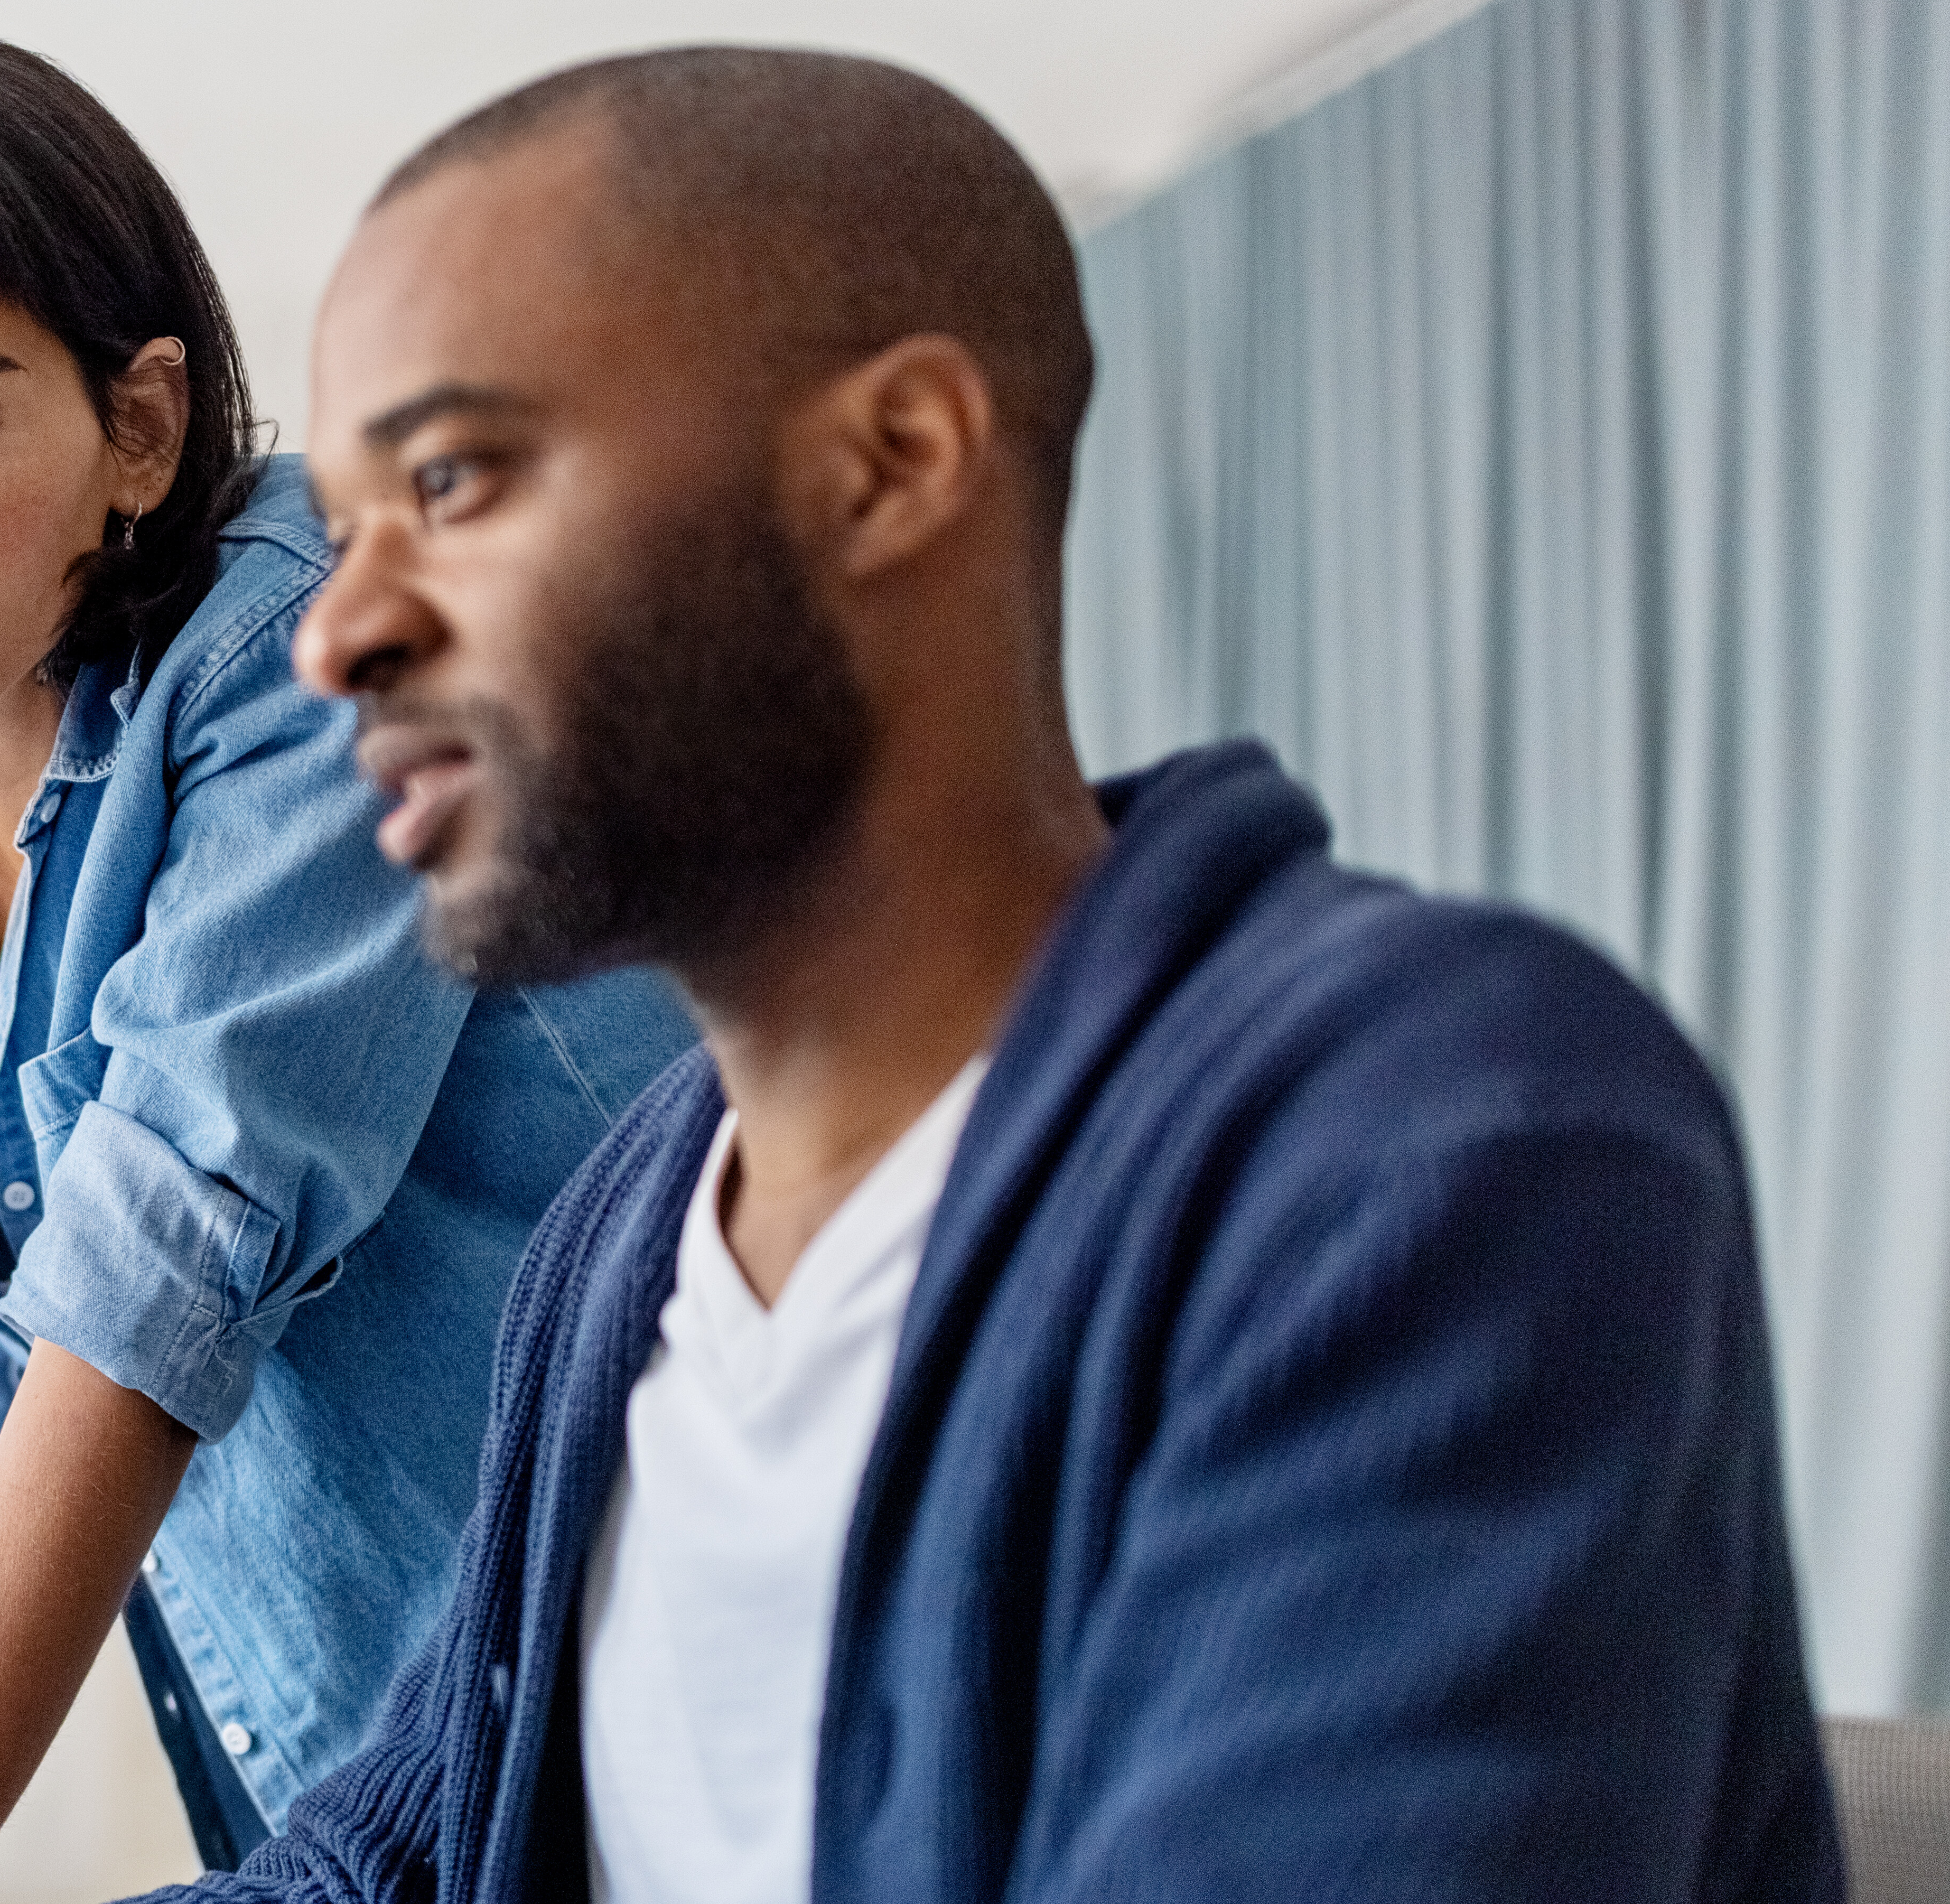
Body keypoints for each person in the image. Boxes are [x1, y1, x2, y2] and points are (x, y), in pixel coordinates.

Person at [174, 46, 1840, 1903]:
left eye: (456, 477)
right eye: (339, 531)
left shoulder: (1439, 1143)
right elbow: (369, 1871)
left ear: (892, 464)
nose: (338, 633)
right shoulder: (630, 1232)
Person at [0, 30, 696, 1904]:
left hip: (676, 1725)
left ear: (140, 427)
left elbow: (148, 1284)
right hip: (369, 1795)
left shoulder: (327, 658)